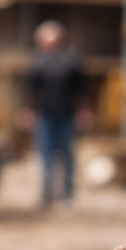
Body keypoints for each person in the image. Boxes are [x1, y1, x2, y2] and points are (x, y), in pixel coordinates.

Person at [19, 21, 91, 207]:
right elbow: (29, 89)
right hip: (45, 116)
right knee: (44, 157)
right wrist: (28, 110)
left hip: (66, 115)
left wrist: (83, 110)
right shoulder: (37, 61)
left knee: (67, 156)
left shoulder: (71, 59)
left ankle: (67, 196)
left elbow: (81, 88)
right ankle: (46, 196)